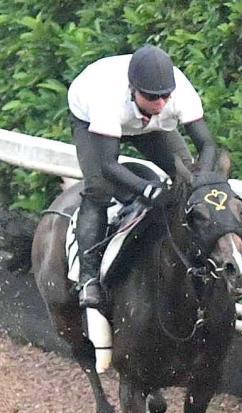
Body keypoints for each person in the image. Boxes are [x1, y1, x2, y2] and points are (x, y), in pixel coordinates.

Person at [67, 44, 217, 308]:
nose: (160, 103)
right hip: (90, 117)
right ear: (132, 89)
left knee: (187, 176)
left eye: (165, 96)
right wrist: (147, 188)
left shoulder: (180, 92)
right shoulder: (108, 98)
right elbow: (108, 164)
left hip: (150, 127)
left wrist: (201, 182)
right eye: (152, 96)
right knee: (99, 189)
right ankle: (88, 278)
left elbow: (207, 145)